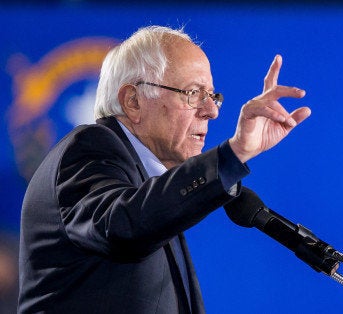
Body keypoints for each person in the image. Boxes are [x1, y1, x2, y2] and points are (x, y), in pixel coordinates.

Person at [18, 25, 310, 313]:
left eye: (213, 95)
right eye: (194, 93)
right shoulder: (90, 147)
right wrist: (234, 153)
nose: (212, 111)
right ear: (133, 101)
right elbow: (122, 225)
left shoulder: (150, 182)